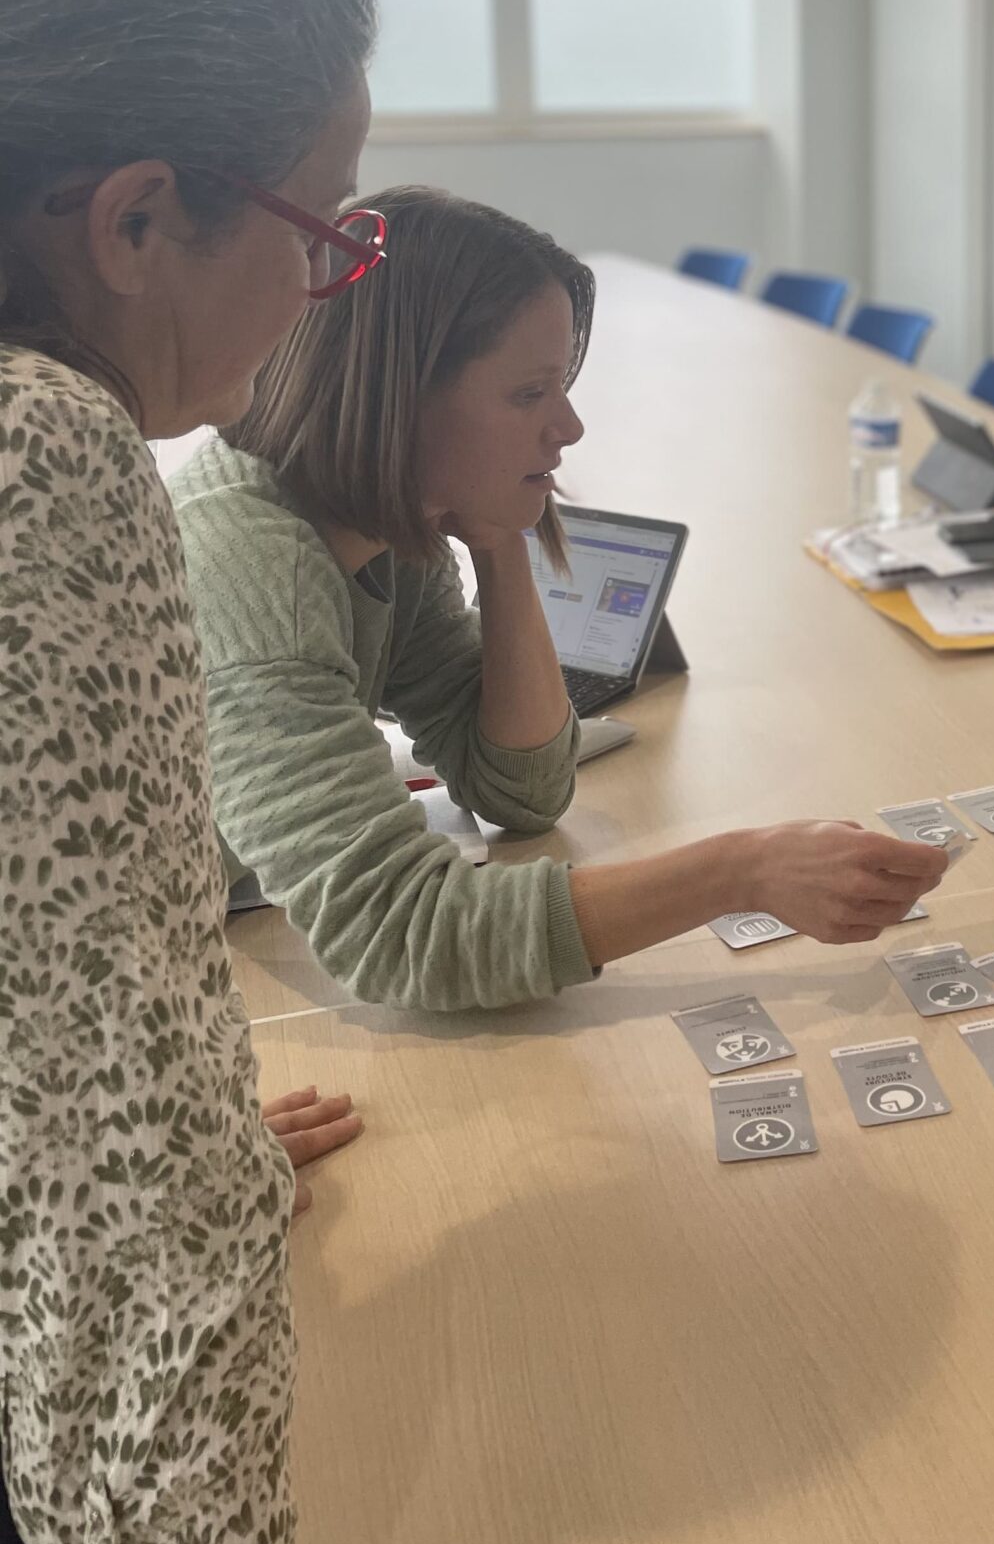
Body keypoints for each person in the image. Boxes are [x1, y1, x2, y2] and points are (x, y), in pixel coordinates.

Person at [0, 0, 376, 1544]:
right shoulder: (41, 455)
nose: (323, 291)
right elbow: (124, 1173)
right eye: (325, 228)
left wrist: (188, 1122)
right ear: (139, 216)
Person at [171, 186, 949, 1013]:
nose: (569, 427)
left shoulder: (382, 522)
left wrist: (501, 541)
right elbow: (406, 939)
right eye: (528, 394)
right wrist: (742, 870)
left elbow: (523, 789)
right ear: (399, 400)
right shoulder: (262, 574)